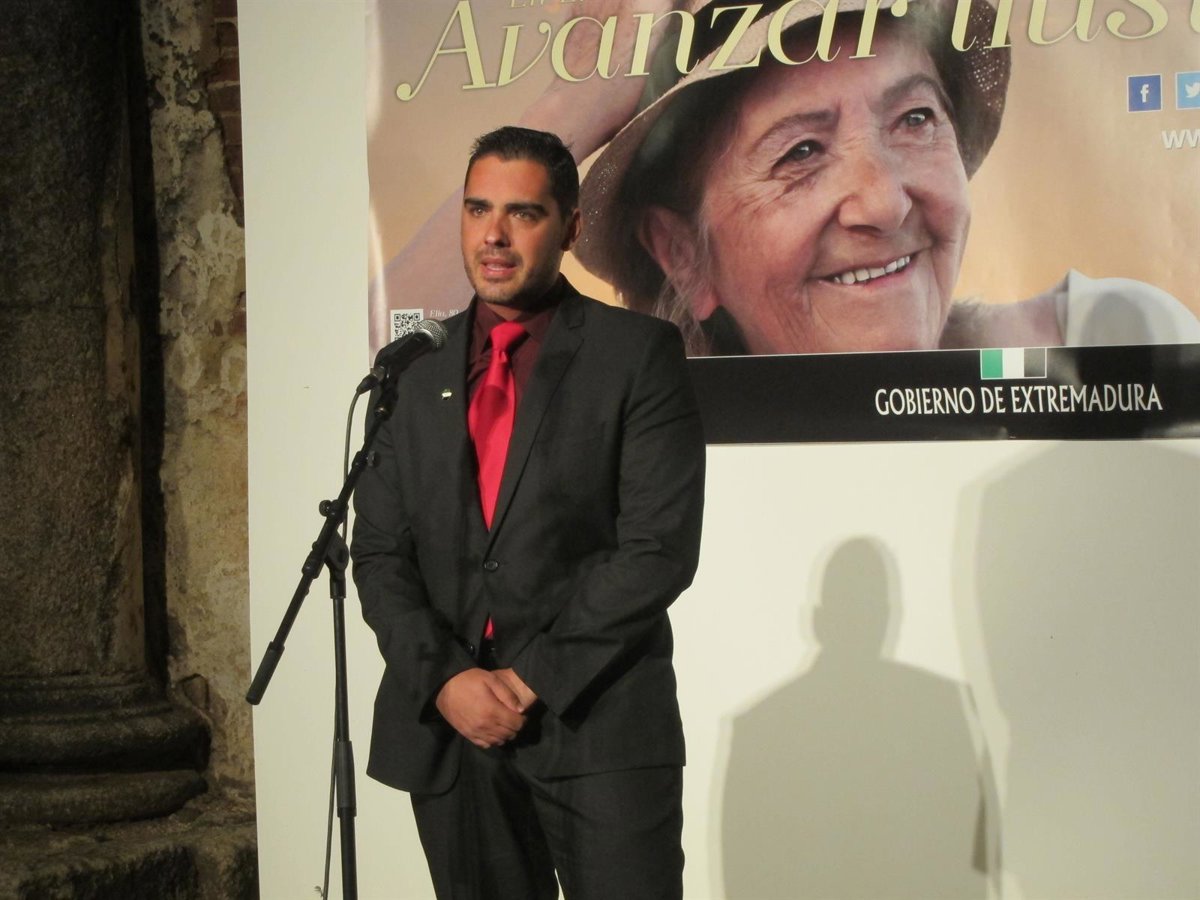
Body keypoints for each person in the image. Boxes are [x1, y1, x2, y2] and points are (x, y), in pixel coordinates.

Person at [351, 126, 706, 900]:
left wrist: (529, 678)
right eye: (478, 209)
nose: (495, 235)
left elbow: (658, 550)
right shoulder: (411, 369)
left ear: (570, 228)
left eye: (523, 213)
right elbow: (377, 553)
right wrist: (447, 680)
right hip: (452, 734)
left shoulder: (637, 353)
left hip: (598, 727)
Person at [571, 0, 1200, 355]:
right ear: (684, 255)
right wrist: (569, 111)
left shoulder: (1113, 339)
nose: (884, 203)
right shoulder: (647, 470)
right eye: (801, 152)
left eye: (915, 118)